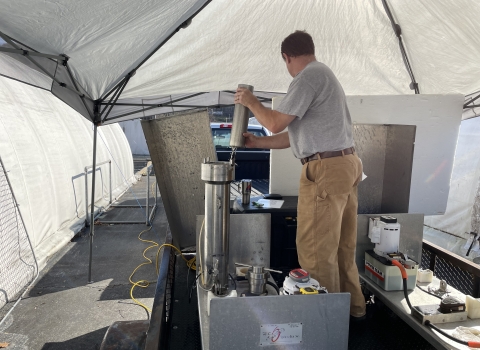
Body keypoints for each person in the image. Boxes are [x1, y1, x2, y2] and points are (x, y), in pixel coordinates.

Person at [234, 30, 366, 319]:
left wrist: (251, 102)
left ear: (287, 57)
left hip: (326, 170)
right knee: (342, 248)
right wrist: (256, 143)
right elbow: (291, 136)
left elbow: (275, 124)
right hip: (345, 165)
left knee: (316, 251)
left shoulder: (307, 77)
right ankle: (353, 313)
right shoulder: (324, 75)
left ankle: (325, 325)